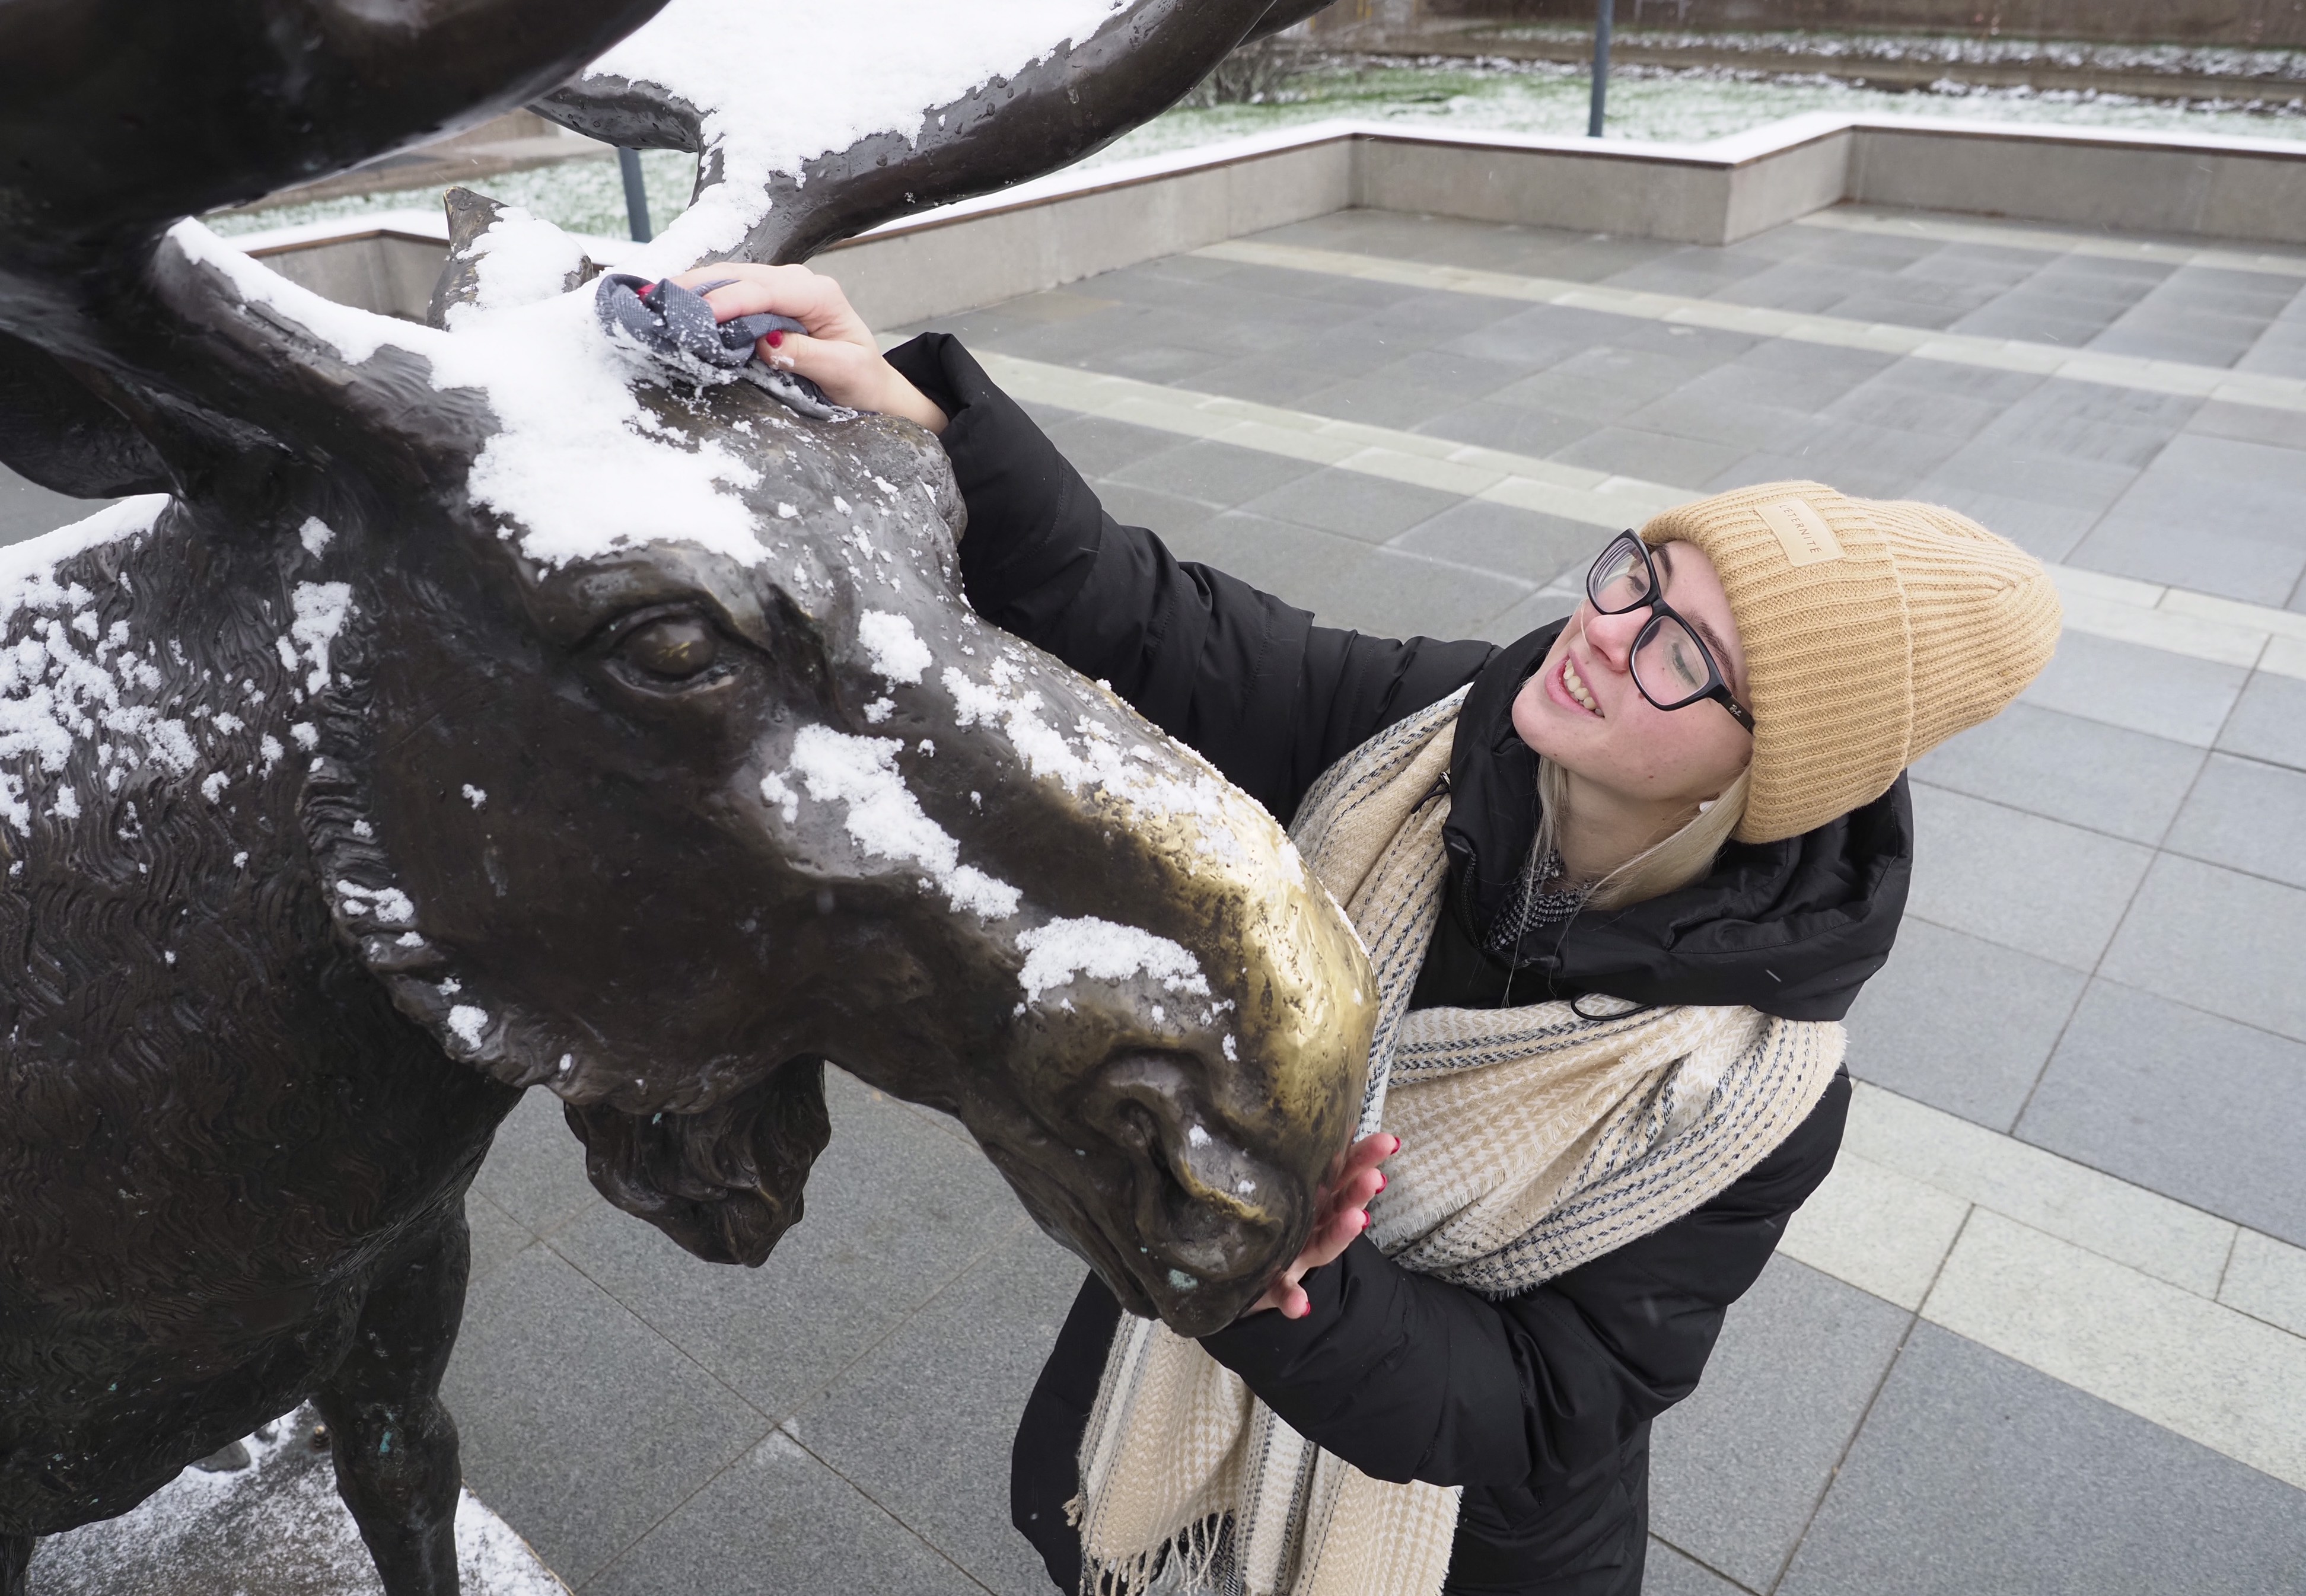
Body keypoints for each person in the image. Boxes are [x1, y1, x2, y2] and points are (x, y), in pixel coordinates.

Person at [674, 265, 2061, 1596]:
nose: (1606, 631)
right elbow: (1156, 623)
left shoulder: (1750, 1102)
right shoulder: (1425, 733)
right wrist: (923, 415)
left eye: (1686, 654)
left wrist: (1295, 1281)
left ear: (1768, 776)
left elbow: (1543, 1406)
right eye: (1639, 574)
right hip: (1156, 1429)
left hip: (1464, 1558)